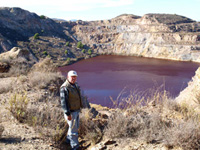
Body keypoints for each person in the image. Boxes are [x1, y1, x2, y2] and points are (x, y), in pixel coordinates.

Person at [60, 70, 83, 150]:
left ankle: (67, 140)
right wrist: (67, 113)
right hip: (71, 112)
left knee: (73, 127)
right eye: (72, 77)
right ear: (68, 77)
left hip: (76, 110)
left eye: (75, 77)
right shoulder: (64, 87)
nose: (73, 78)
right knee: (74, 129)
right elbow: (64, 102)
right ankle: (75, 146)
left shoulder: (75, 85)